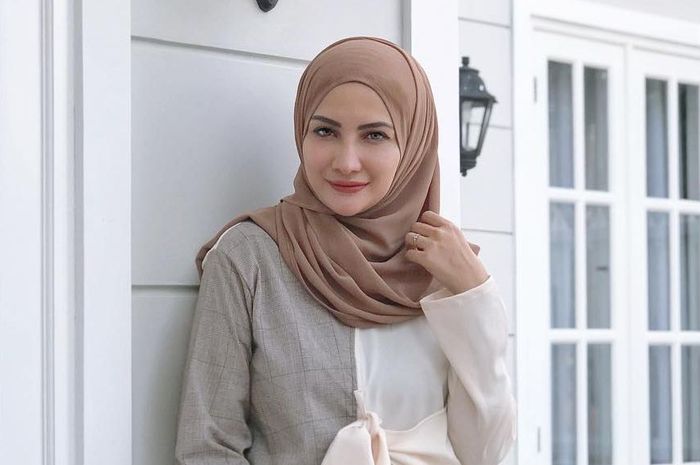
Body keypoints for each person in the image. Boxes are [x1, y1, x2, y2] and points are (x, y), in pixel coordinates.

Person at [174, 36, 517, 465]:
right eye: (325, 131)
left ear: (413, 145)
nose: (346, 162)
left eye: (375, 135)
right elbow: (207, 446)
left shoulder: (444, 268)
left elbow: (484, 452)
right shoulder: (251, 257)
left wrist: (473, 295)